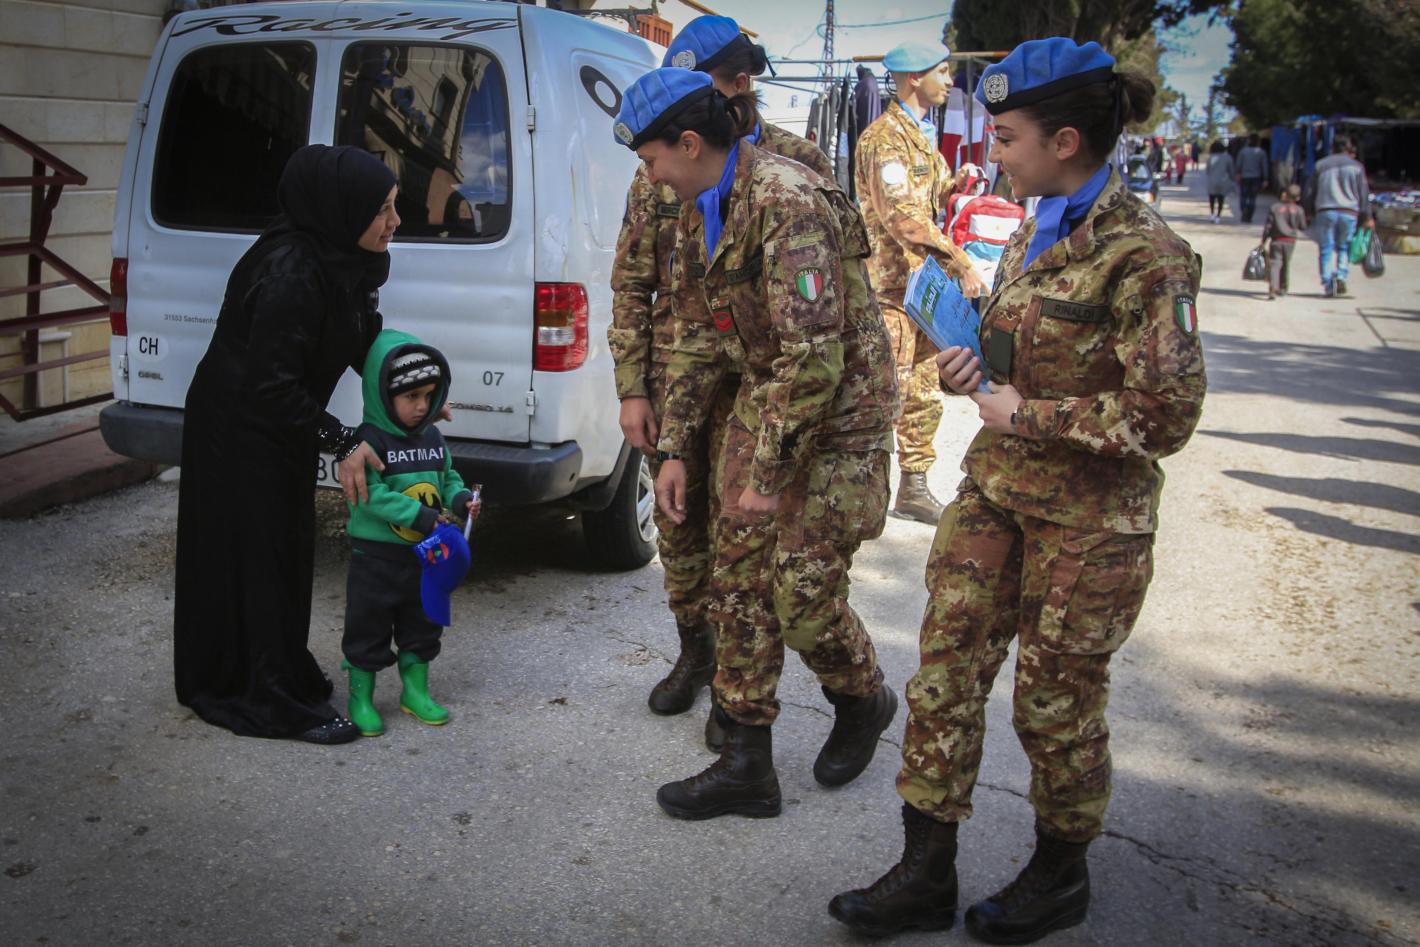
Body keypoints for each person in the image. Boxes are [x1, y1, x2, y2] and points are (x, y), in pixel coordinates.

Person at [829, 38, 1207, 944]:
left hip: (1090, 522)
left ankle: (1058, 875)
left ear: (1064, 141)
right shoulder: (1035, 225)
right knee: (944, 677)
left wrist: (1025, 413)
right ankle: (925, 871)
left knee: (1055, 702)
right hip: (997, 494)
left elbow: (1166, 413)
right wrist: (974, 366)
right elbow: (1017, 356)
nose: (993, 153)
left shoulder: (1147, 254)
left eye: (1005, 138)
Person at [612, 67, 900, 820]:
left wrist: (767, 476)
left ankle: (862, 696)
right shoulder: (699, 207)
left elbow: (816, 360)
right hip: (768, 399)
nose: (649, 178)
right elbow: (699, 339)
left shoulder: (786, 201)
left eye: (651, 160)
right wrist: (676, 448)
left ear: (688, 143)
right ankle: (746, 761)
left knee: (800, 594)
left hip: (839, 420)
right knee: (736, 574)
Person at [609, 14, 835, 752]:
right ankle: (695, 651)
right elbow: (632, 278)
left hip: (763, 386)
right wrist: (633, 386)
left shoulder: (794, 170)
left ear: (737, 86)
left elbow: (820, 319)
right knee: (680, 526)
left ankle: (741, 694)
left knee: (745, 545)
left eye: (697, 86)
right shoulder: (660, 166)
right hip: (680, 374)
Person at [174, 145, 399, 744]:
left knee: (286, 549)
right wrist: (342, 441)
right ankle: (264, 696)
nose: (394, 222)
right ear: (341, 208)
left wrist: (413, 384)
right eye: (382, 209)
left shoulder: (342, 257)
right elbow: (269, 387)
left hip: (279, 421)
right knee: (256, 554)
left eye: (393, 206)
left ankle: (276, 668)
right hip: (236, 428)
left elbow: (361, 339)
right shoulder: (292, 272)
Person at [854, 40, 988, 526]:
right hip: (890, 290)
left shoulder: (919, 134)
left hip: (922, 287)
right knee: (885, 391)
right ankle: (862, 492)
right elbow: (902, 217)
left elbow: (926, 197)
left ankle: (913, 486)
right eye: (942, 71)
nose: (950, 81)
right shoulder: (884, 139)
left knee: (925, 391)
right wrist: (960, 261)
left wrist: (956, 184)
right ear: (914, 78)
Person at [340, 329, 479, 737]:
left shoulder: (432, 437)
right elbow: (370, 497)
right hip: (376, 560)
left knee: (422, 625)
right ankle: (360, 698)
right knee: (368, 627)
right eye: (411, 397)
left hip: (424, 557)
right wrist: (421, 516)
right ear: (384, 396)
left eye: (428, 396)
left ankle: (415, 692)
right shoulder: (367, 443)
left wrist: (461, 500)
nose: (422, 406)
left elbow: (447, 477)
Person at [1304, 134, 1373, 297]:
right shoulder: (1357, 167)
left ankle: (1328, 284)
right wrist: (1367, 216)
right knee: (1344, 246)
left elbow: (1310, 191)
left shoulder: (1321, 165)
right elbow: (1364, 193)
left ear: (1332, 147)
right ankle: (1341, 276)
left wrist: (1307, 211)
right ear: (1348, 148)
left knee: (1326, 247)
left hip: (1325, 211)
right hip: (1349, 212)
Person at [1262, 183, 1306, 300]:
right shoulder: (1299, 210)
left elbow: (1268, 226)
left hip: (1276, 240)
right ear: (1298, 198)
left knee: (1275, 263)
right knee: (1286, 264)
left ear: (1285, 194)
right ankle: (1283, 287)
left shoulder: (1275, 208)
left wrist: (1263, 240)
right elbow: (1303, 226)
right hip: (1290, 241)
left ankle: (1273, 286)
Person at [1236, 133, 1269, 224]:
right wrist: (1265, 178)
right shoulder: (1261, 152)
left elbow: (1239, 164)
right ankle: (1249, 215)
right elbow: (1264, 166)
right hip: (1256, 177)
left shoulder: (1243, 151)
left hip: (1244, 176)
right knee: (1252, 197)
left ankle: (1244, 212)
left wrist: (1238, 173)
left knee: (1243, 196)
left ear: (1248, 140)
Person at [1205, 140, 1234, 223]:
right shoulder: (1227, 157)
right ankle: (1218, 216)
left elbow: (1207, 170)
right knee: (1221, 199)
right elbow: (1231, 171)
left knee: (1212, 199)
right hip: (1223, 181)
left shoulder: (1210, 158)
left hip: (1212, 181)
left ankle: (1212, 215)